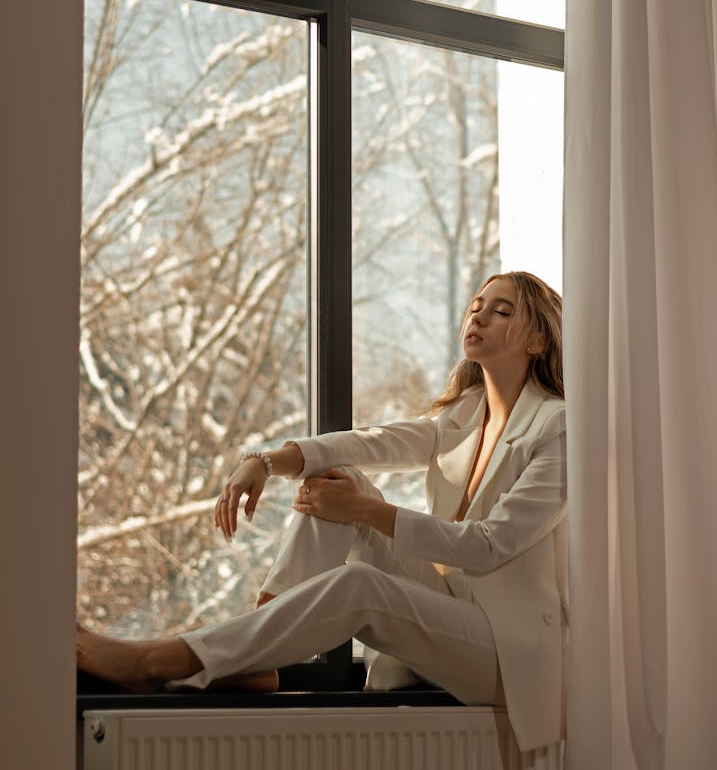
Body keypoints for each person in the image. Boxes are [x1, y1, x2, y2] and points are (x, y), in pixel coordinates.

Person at [77, 271, 567, 754]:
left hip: (503, 652)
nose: (479, 316)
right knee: (338, 480)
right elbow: (368, 443)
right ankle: (256, 653)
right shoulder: (463, 416)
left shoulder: (557, 426)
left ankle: (160, 659)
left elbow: (488, 546)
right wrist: (265, 461)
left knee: (360, 584)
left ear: (539, 339)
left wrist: (371, 511)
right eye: (477, 305)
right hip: (447, 614)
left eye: (501, 311)